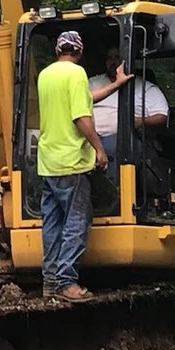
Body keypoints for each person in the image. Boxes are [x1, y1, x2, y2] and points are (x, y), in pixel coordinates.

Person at [34, 29, 109, 299]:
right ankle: (67, 281)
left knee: (52, 223)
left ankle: (51, 282)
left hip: (48, 162)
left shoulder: (45, 75)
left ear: (57, 50)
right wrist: (99, 149)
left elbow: (79, 102)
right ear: (79, 52)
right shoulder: (77, 75)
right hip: (72, 162)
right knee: (77, 220)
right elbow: (80, 117)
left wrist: (115, 84)